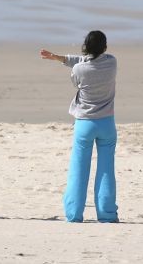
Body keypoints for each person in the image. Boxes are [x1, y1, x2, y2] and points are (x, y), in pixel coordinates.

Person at [40, 31, 119, 223]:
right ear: (105, 47)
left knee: (78, 169)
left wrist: (61, 59)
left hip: (85, 124)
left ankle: (74, 214)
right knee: (107, 169)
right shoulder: (112, 62)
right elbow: (87, 59)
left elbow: (80, 66)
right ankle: (107, 214)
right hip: (107, 123)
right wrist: (58, 58)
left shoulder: (78, 70)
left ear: (85, 46)